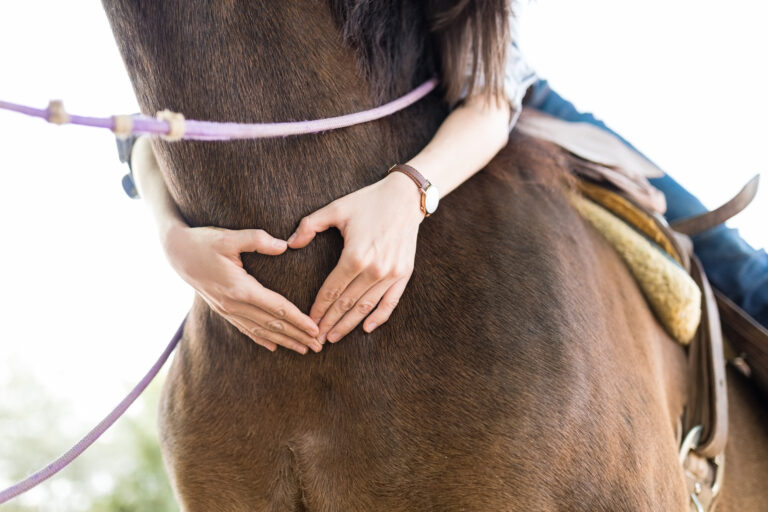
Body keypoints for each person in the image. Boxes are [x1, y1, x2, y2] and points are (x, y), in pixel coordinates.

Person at [121, 1, 767, 355]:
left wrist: (409, 192)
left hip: (499, 103)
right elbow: (159, 129)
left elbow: (492, 97)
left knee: (736, 269)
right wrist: (171, 239)